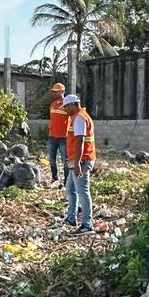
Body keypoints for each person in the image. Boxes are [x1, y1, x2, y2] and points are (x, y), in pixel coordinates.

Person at [63, 94, 96, 235]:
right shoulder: (78, 117)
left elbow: (80, 141)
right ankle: (71, 218)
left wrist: (77, 163)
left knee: (83, 192)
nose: (65, 110)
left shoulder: (79, 118)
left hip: (82, 160)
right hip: (77, 160)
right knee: (70, 188)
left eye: (66, 107)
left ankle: (87, 225)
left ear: (73, 105)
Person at [46, 82, 69, 185]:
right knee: (52, 160)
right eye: (53, 91)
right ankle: (54, 178)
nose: (54, 93)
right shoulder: (52, 105)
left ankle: (66, 182)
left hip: (63, 137)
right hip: (52, 137)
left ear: (62, 92)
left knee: (65, 161)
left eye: (56, 91)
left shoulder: (67, 105)